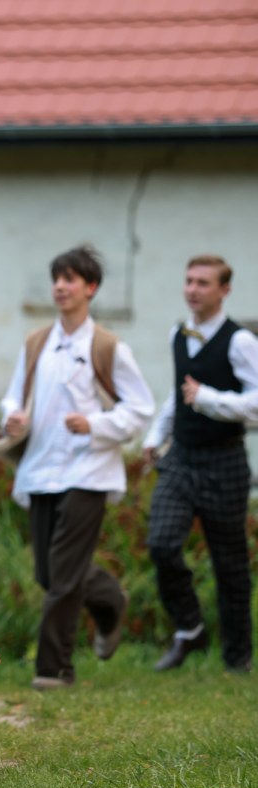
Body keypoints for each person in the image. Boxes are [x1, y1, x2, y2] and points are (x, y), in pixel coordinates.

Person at [0, 245, 154, 689]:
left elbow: (140, 408)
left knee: (64, 576)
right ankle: (110, 601)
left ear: (91, 288)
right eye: (57, 279)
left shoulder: (108, 346)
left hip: (89, 471)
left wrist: (96, 424)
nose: (61, 287)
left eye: (71, 279)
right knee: (49, 573)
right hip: (40, 468)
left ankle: (54, 670)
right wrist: (14, 415)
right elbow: (14, 395)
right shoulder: (36, 343)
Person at [143, 254, 257, 674]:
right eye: (189, 281)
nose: (193, 289)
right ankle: (190, 628)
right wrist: (156, 437)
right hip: (182, 458)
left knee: (230, 563)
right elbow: (178, 392)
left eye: (203, 283)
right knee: (161, 543)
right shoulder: (179, 333)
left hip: (225, 461)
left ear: (224, 290)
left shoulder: (241, 341)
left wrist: (210, 399)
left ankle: (237, 659)